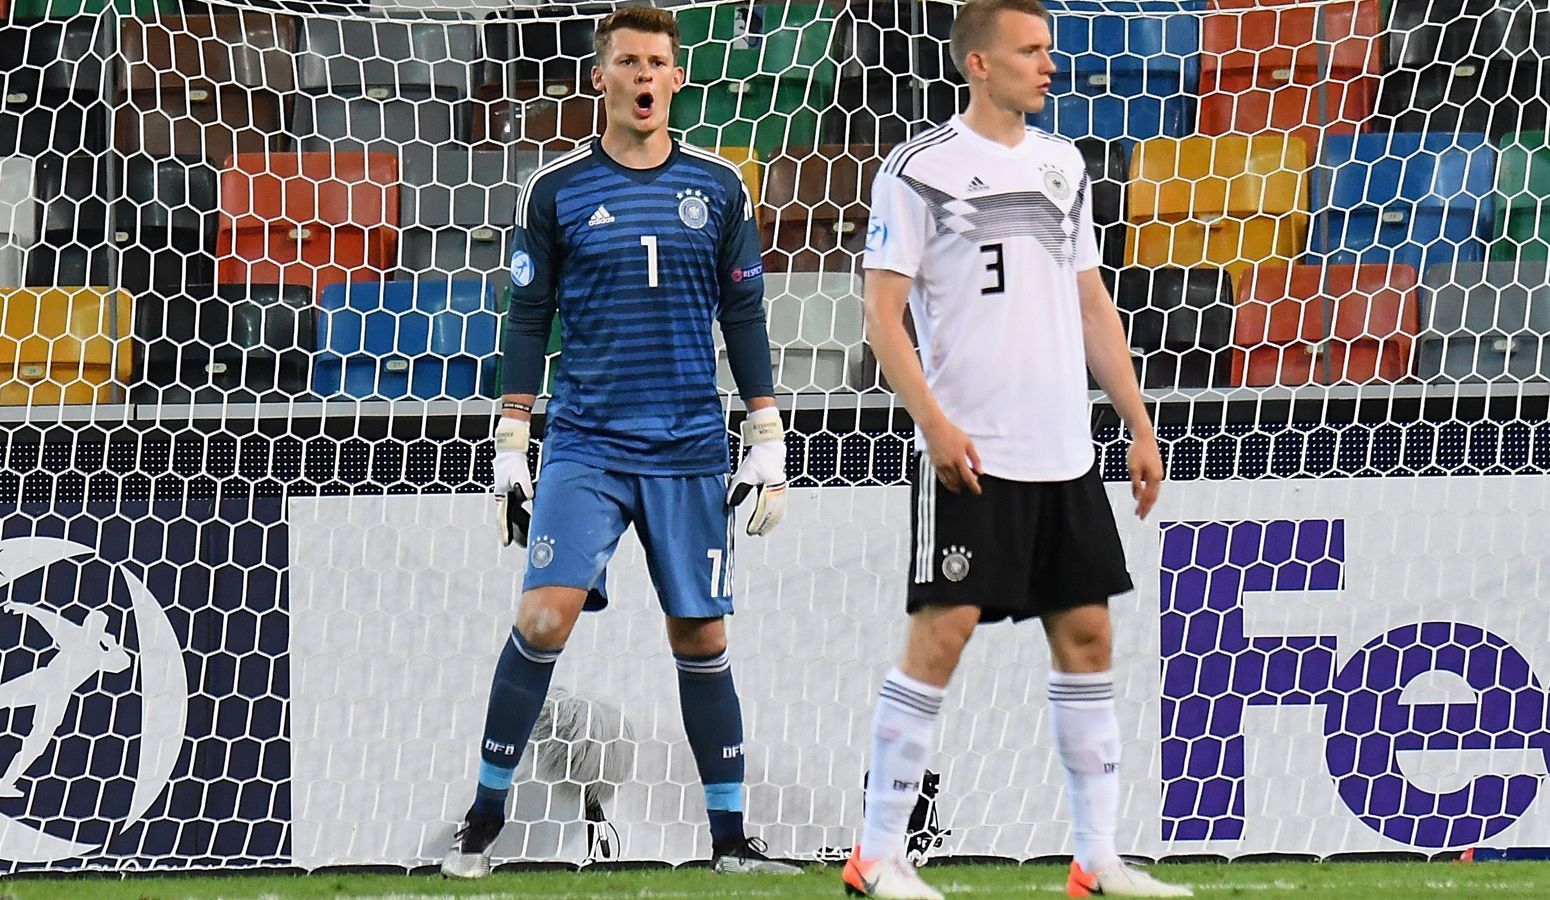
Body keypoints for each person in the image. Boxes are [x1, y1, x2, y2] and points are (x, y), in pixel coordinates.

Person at [841, 0, 1192, 896]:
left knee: (1086, 636)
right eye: (1031, 50)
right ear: (978, 63)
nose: (1048, 64)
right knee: (942, 636)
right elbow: (882, 312)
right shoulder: (919, 171)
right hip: (975, 451)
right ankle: (877, 852)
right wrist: (933, 422)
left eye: (1049, 49)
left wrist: (1138, 420)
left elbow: (1090, 304)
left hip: (1063, 449)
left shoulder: (1062, 165)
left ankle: (1096, 857)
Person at [441, 6, 798, 879]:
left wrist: (766, 430)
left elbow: (744, 314)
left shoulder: (719, 187)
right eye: (629, 62)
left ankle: (728, 841)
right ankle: (482, 824)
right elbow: (528, 319)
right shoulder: (556, 190)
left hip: (686, 448)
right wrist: (511, 444)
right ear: (600, 78)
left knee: (701, 639)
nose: (645, 77)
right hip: (588, 444)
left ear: (678, 79)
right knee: (542, 615)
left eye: (659, 64)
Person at [0, 603, 131, 798]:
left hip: (59, 695)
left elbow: (123, 663)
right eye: (90, 622)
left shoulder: (98, 654)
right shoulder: (75, 636)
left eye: (97, 625)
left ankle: (5, 783)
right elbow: (50, 619)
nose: (91, 628)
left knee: (38, 742)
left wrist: (113, 645)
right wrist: (25, 608)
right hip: (43, 681)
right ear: (86, 623)